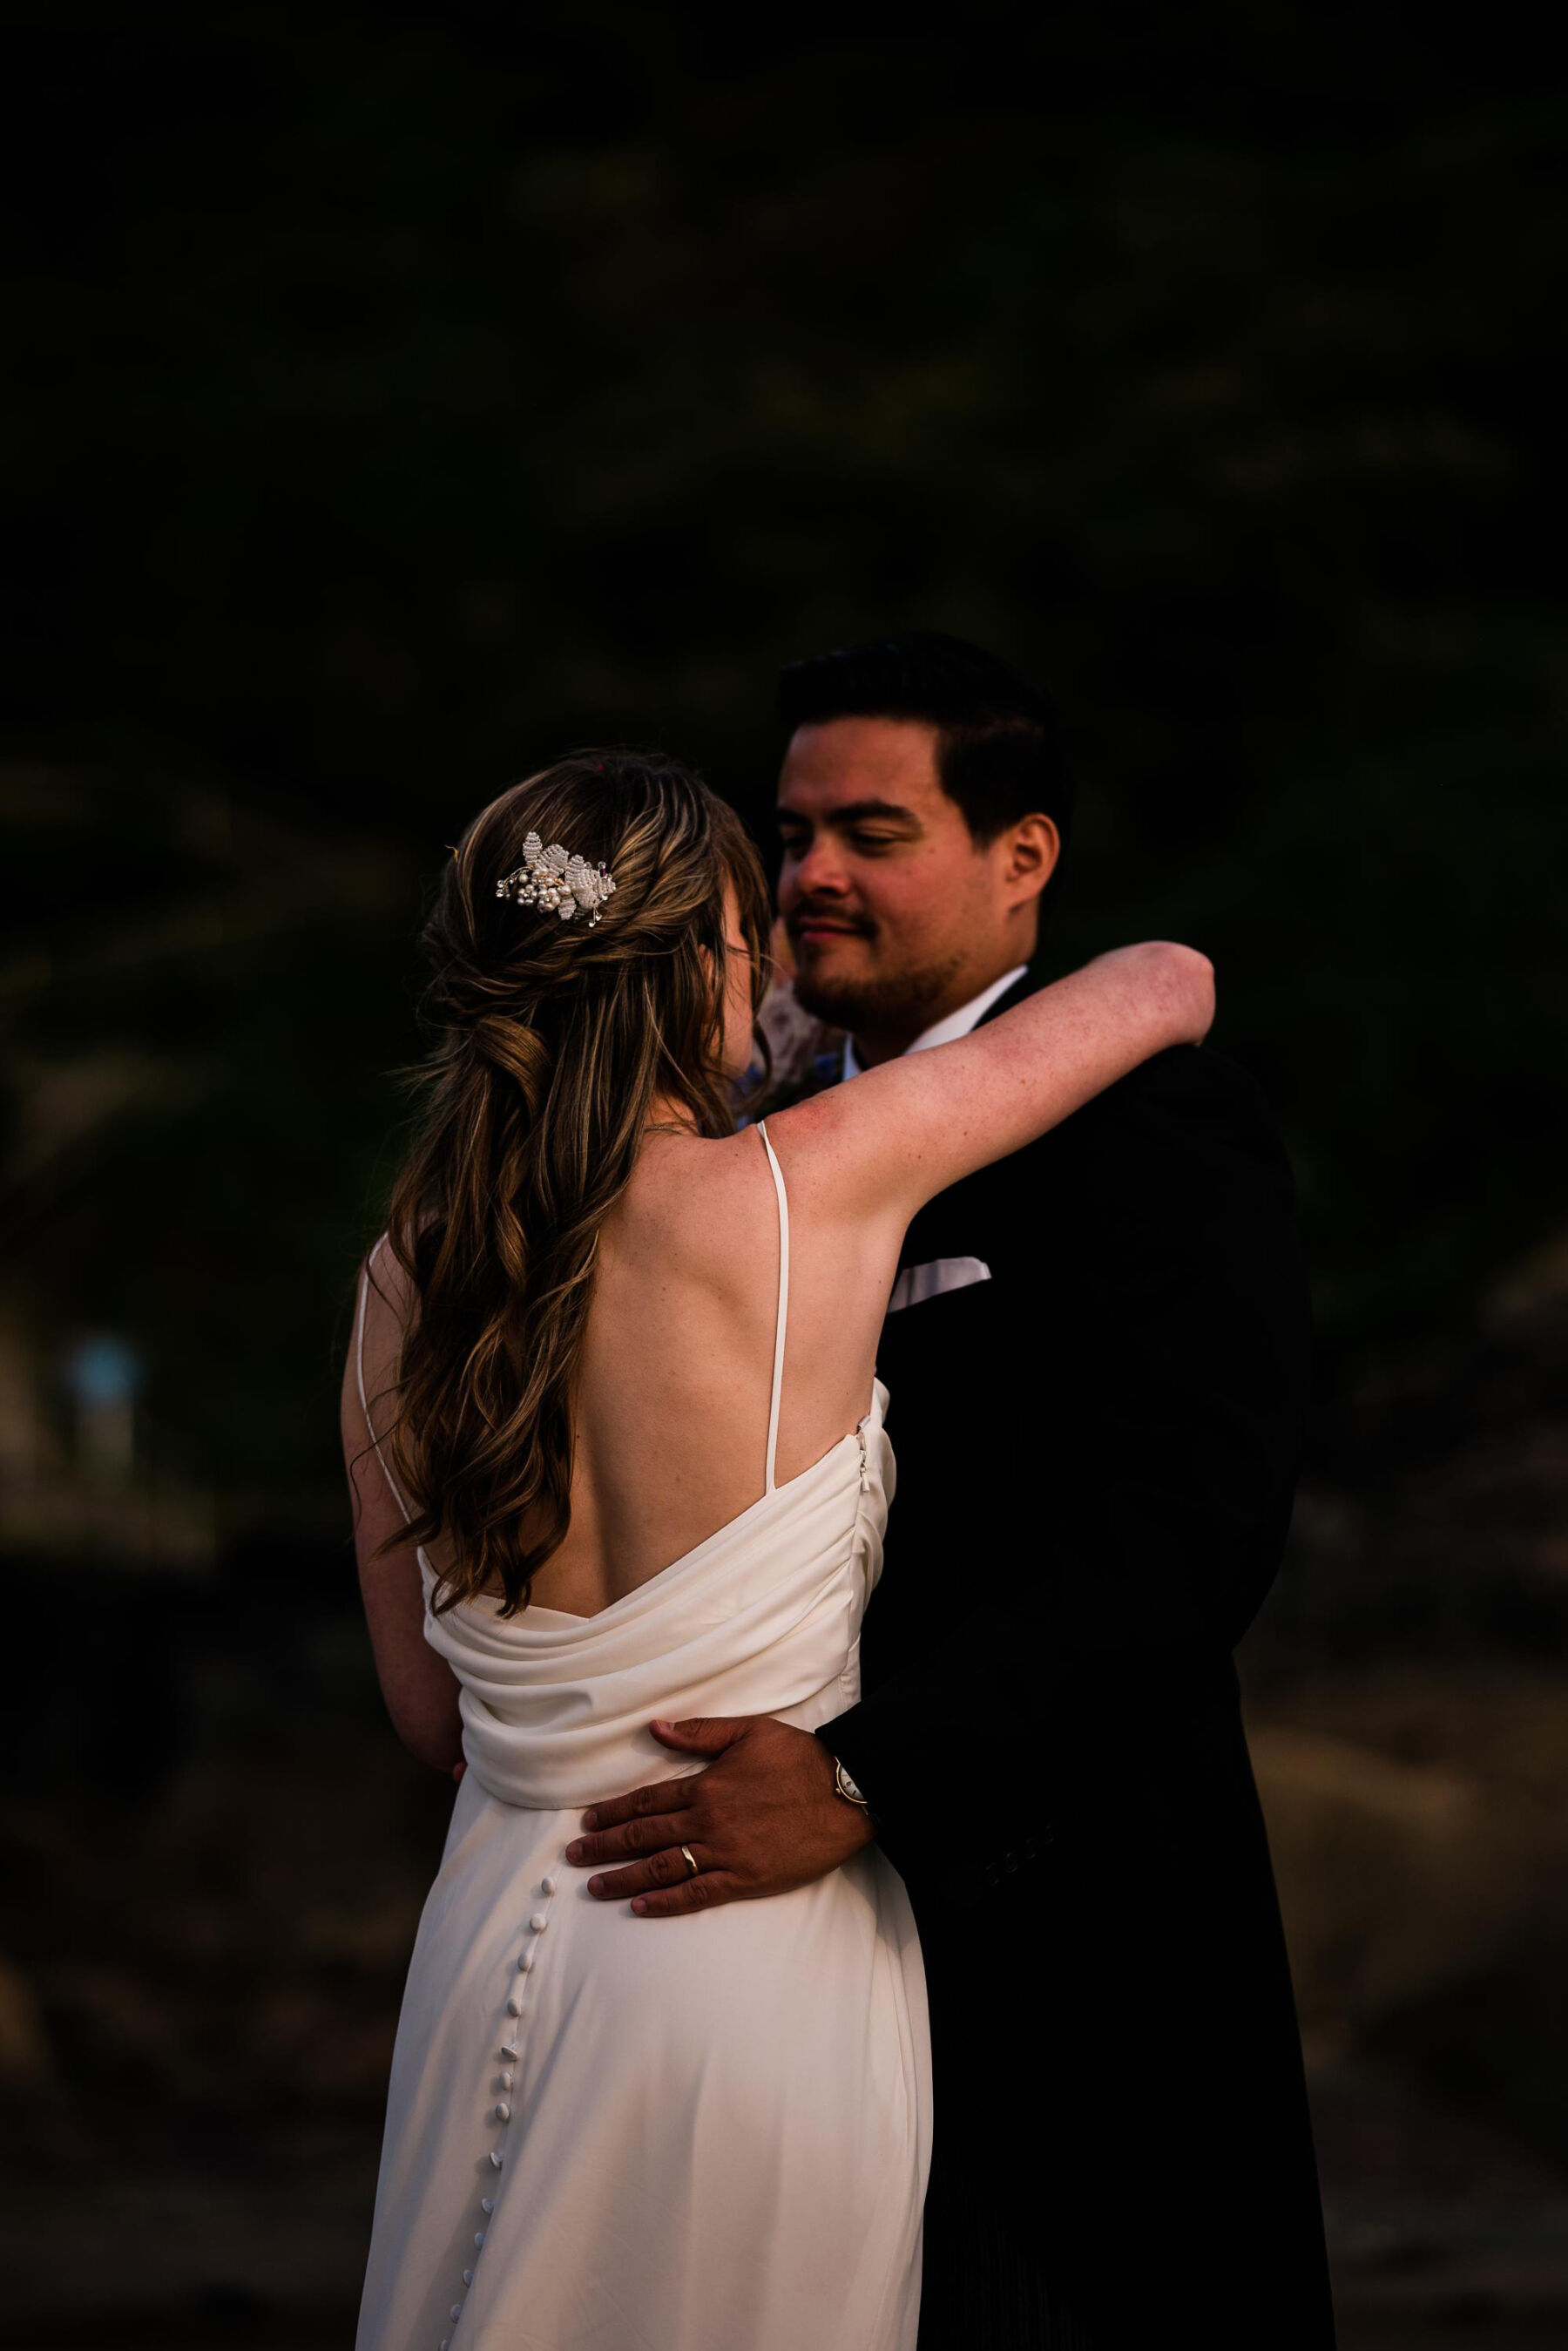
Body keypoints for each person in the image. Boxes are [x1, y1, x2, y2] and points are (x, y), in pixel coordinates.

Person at [341, 745, 1213, 2351]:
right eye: (754, 946)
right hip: (744, 1962)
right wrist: (795, 1026)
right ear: (700, 971)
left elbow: (425, 1713)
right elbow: (1168, 978)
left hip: (487, 1942)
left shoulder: (405, 1276)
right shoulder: (812, 1184)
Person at [568, 641, 1337, 2350]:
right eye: (791, 830)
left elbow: (1186, 1519)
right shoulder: (723, 1147)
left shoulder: (1155, 1127)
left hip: (1057, 1944)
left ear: (1024, 856)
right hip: (719, 1960)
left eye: (873, 828)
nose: (814, 873)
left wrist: (865, 1777)